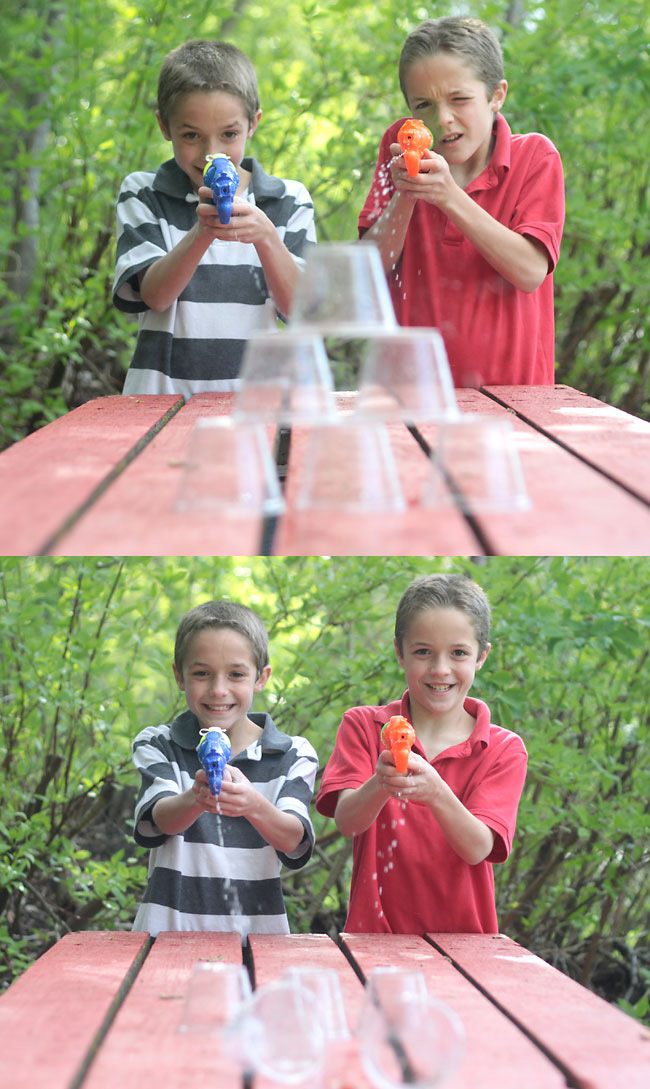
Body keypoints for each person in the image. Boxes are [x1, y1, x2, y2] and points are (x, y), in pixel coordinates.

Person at [358, 16, 565, 387]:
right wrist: (405, 196)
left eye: (460, 99)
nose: (443, 119)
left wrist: (449, 197)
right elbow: (370, 267)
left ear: (496, 95)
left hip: (515, 397)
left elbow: (531, 272)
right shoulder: (397, 143)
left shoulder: (535, 156)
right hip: (410, 391)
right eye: (423, 105)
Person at [316, 574, 527, 934]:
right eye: (422, 651)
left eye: (458, 653)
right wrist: (381, 783)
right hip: (374, 939)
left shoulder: (504, 749)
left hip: (466, 946)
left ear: (482, 656)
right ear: (400, 651)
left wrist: (437, 792)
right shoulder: (364, 726)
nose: (440, 669)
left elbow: (478, 848)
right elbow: (348, 822)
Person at [113, 40, 316, 397]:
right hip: (158, 402)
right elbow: (156, 296)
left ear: (253, 124)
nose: (211, 154)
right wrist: (202, 232)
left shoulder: (287, 200)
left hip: (258, 405)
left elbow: (298, 309)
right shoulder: (144, 193)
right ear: (164, 126)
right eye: (191, 135)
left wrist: (267, 237)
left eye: (229, 134)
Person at [132, 600, 318, 936]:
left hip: (258, 942)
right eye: (202, 673)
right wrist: (195, 798)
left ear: (261, 678)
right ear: (179, 675)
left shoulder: (292, 753)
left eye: (236, 674)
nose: (219, 690)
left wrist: (254, 805)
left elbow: (294, 840)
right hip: (167, 935)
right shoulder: (158, 744)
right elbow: (157, 822)